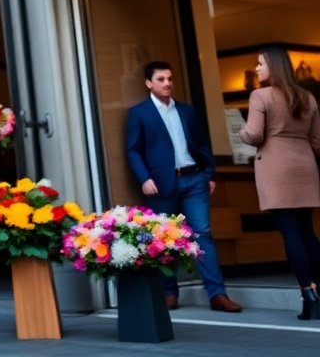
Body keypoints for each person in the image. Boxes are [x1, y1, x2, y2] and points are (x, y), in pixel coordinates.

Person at [126, 61, 242, 313]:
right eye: (161, 79)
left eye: (170, 78)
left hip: (194, 180)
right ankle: (169, 294)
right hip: (161, 185)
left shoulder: (187, 111)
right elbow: (133, 150)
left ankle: (217, 294)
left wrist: (209, 174)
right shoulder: (139, 113)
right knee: (165, 238)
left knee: (203, 235)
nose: (167, 83)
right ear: (149, 83)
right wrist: (144, 178)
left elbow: (202, 144)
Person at [238, 46, 320, 320]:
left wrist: (241, 132)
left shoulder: (260, 95)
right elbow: (317, 141)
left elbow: (254, 134)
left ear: (274, 66)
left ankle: (308, 294)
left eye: (260, 64)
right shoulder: (307, 96)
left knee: (291, 234)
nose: (257, 69)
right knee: (307, 232)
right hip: (305, 166)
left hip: (276, 168)